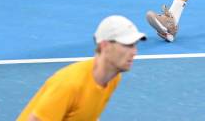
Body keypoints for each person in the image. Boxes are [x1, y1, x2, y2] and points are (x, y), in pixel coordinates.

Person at [17, 15, 146, 121]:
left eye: (135, 45)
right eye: (128, 45)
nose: (134, 52)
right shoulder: (70, 84)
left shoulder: (113, 78)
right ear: (105, 46)